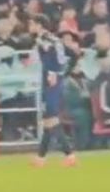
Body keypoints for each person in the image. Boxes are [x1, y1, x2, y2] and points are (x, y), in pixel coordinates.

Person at [29, 15, 76, 167]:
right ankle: (41, 157)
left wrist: (58, 73)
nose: (29, 26)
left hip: (51, 81)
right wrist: (64, 73)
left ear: (39, 25)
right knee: (48, 121)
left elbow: (66, 57)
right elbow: (73, 55)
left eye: (32, 23)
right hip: (51, 80)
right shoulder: (52, 39)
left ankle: (69, 154)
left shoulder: (45, 40)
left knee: (52, 120)